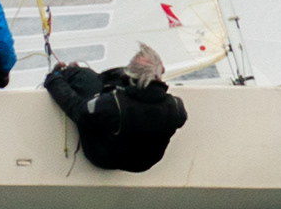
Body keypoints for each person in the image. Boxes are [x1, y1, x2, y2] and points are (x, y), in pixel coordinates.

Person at [44, 43, 188, 172]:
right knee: (107, 79)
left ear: (131, 74)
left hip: (104, 158)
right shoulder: (176, 108)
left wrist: (54, 79)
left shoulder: (113, 104)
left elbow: (78, 110)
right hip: (143, 164)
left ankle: (70, 72)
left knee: (84, 76)